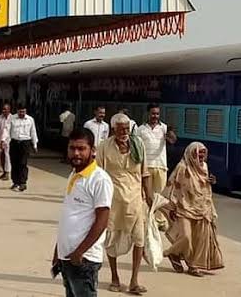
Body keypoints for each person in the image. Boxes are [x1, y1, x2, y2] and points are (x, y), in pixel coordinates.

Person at [53, 128, 113, 297]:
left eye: (81, 148)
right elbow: (70, 216)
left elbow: (102, 220)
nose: (76, 153)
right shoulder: (74, 174)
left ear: (92, 150)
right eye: (72, 148)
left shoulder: (99, 179)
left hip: (84, 259)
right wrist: (58, 250)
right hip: (68, 256)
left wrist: (80, 252)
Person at [95, 113, 151, 295]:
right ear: (113, 130)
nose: (124, 133)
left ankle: (134, 281)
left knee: (139, 239)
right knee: (111, 239)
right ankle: (114, 277)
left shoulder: (138, 144)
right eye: (120, 130)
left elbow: (145, 173)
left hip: (135, 200)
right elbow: (98, 174)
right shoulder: (104, 147)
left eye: (127, 129)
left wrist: (150, 197)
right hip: (113, 201)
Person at [162, 142, 224, 277]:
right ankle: (170, 252)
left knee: (199, 239)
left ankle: (193, 266)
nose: (201, 157)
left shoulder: (204, 167)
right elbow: (172, 187)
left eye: (203, 154)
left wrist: (212, 181)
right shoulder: (182, 168)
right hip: (184, 207)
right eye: (198, 154)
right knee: (186, 237)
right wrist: (172, 207)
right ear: (191, 154)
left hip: (202, 208)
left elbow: (204, 186)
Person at [136, 104, 177, 230]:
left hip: (160, 166)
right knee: (145, 195)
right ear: (148, 114)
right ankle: (145, 219)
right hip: (146, 167)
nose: (155, 116)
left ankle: (159, 221)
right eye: (153, 113)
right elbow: (137, 148)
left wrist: (170, 134)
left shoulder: (164, 128)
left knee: (159, 195)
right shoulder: (140, 129)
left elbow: (173, 140)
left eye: (157, 114)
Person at [8, 104, 38, 192]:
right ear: (17, 111)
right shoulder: (12, 118)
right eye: (20, 111)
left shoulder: (30, 119)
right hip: (14, 142)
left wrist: (35, 144)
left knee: (23, 163)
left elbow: (33, 132)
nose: (22, 113)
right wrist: (4, 141)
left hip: (25, 143)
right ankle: (15, 182)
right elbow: (7, 130)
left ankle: (23, 183)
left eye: (23, 111)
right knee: (14, 163)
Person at [0, 103, 13, 180]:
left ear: (9, 110)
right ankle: (4, 170)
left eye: (5, 109)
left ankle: (7, 172)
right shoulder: (0, 117)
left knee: (7, 156)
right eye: (3, 109)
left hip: (8, 140)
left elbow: (7, 130)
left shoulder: (12, 118)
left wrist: (2, 140)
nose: (3, 111)